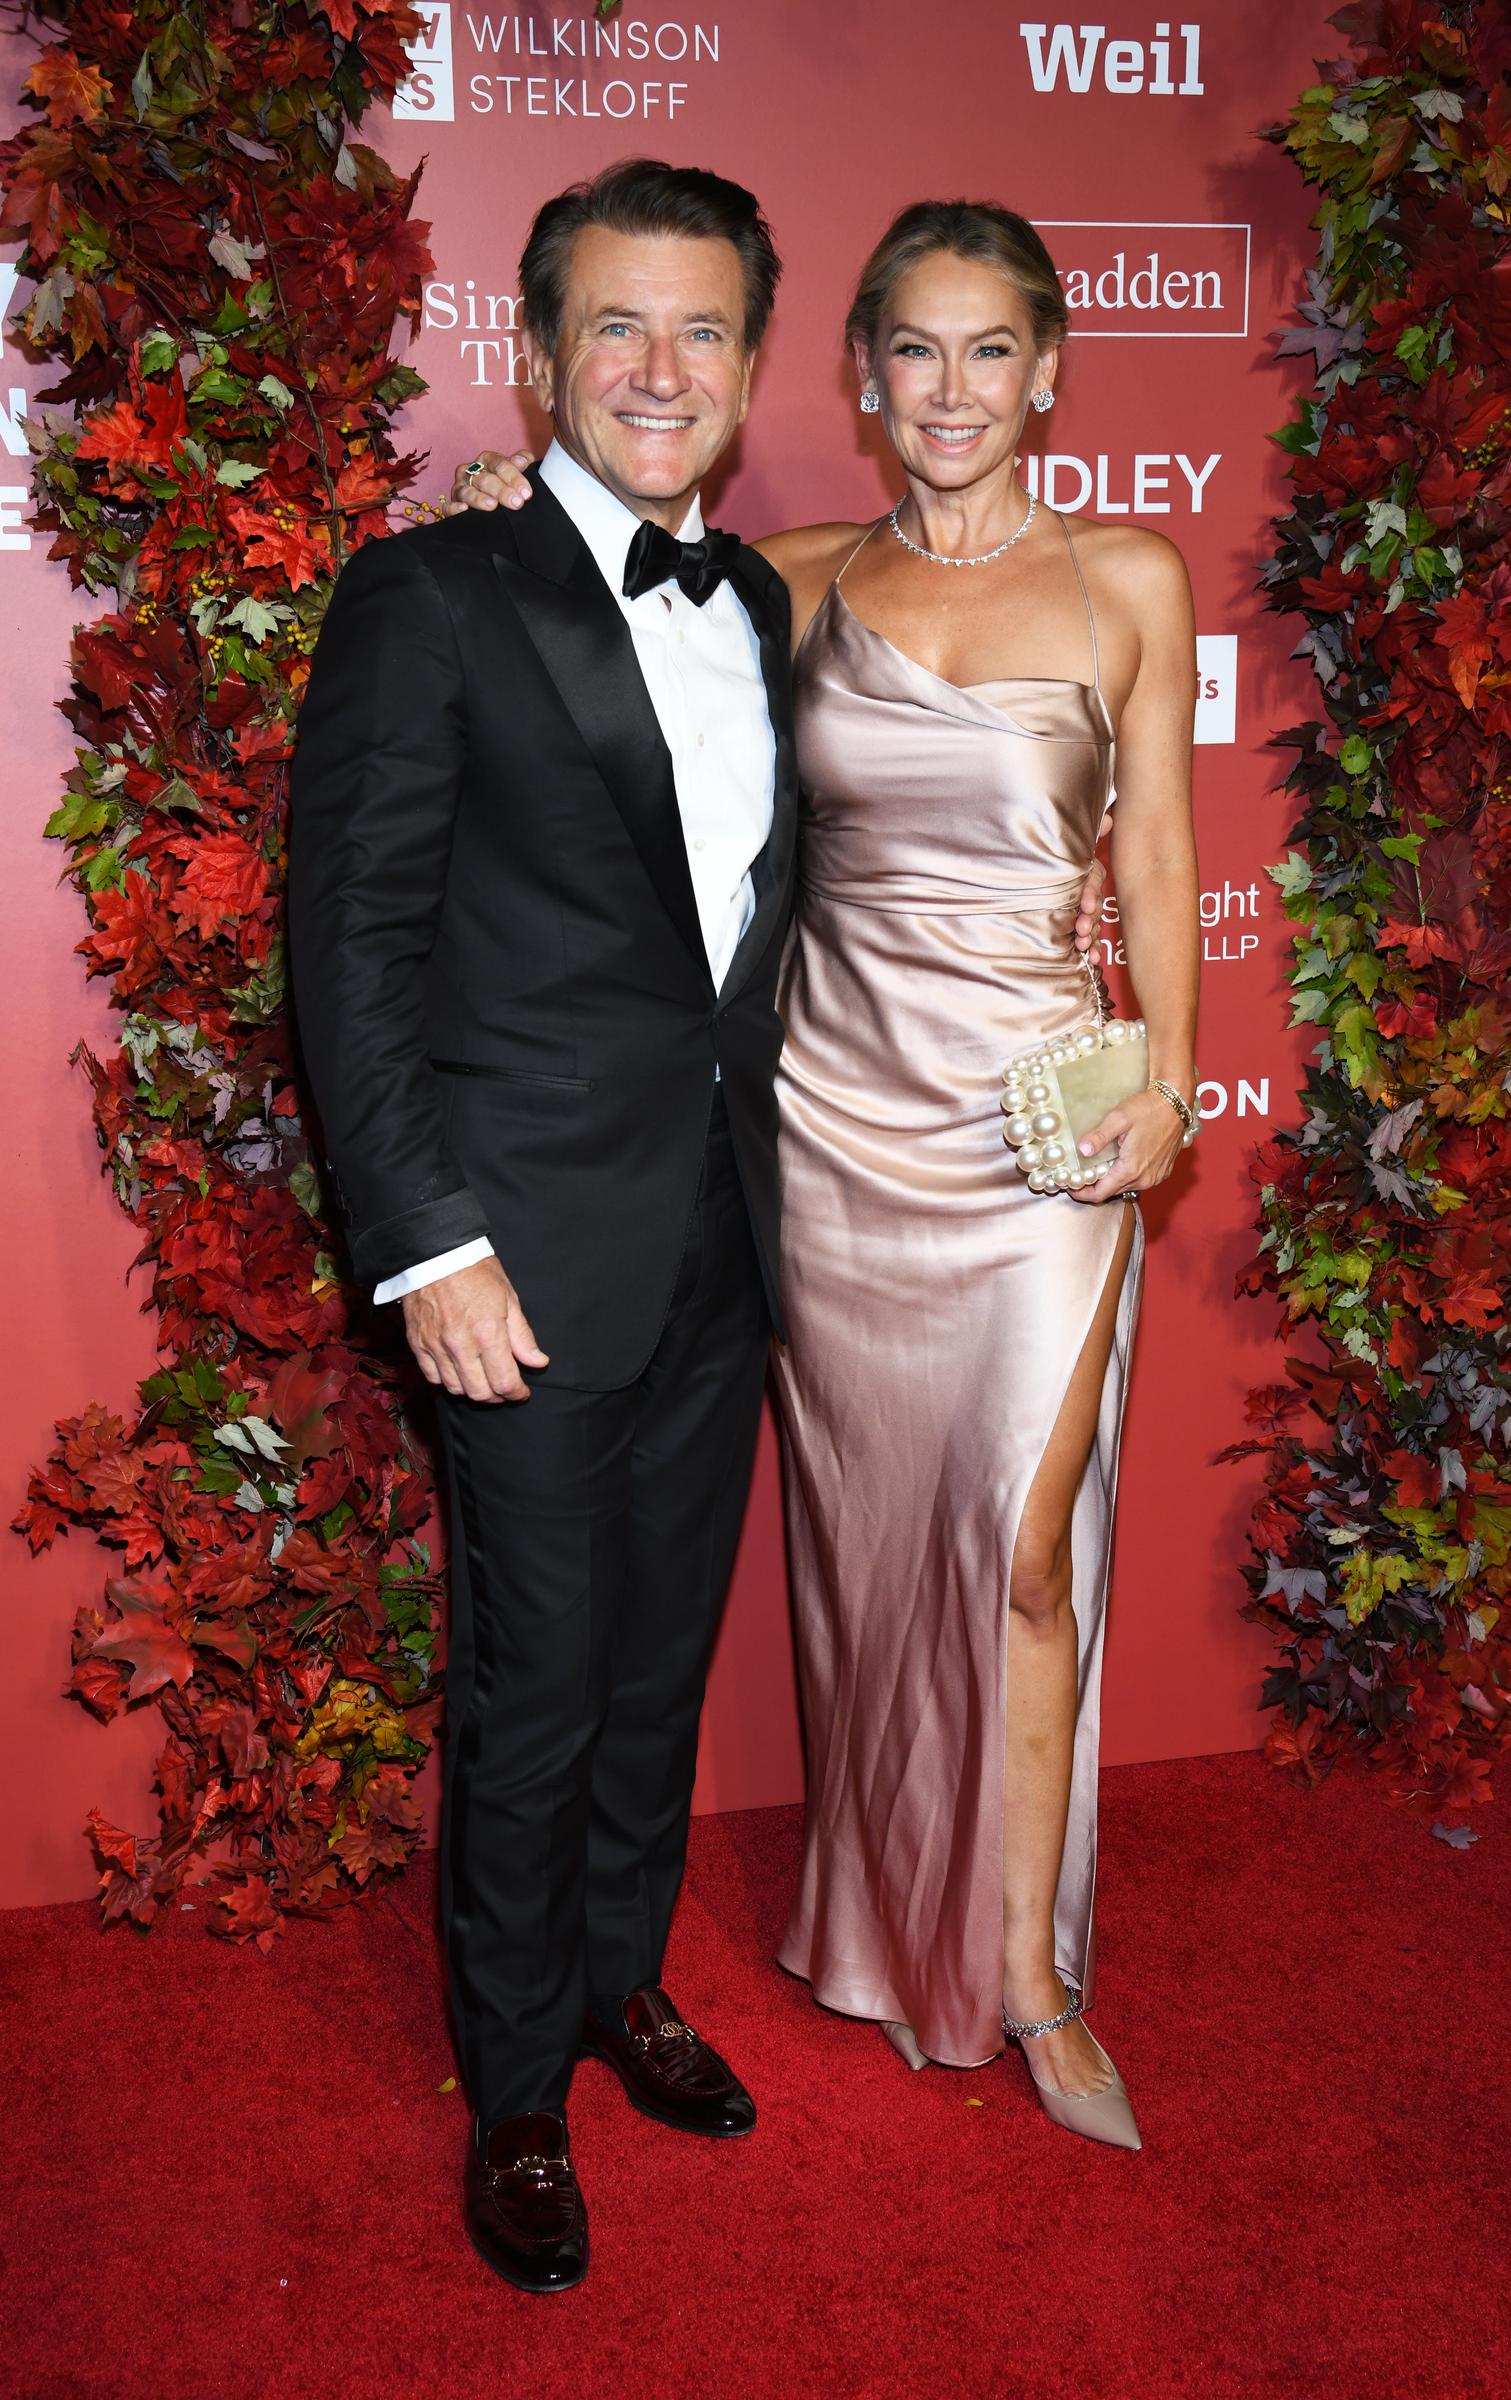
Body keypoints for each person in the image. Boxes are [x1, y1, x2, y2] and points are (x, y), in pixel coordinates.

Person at [456, 202, 1198, 2150]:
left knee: (1022, 1551)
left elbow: (1153, 864)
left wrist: (1176, 1079)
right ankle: (880, 1923)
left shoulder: (1126, 577)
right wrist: (494, 512)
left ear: (1046, 371)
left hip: (1040, 1129)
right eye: (912, 354)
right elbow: (590, 607)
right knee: (872, 1561)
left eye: (987, 353)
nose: (949, 392)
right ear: (861, 381)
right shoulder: (785, 583)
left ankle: (1030, 1977)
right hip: (830, 1137)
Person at [289, 160, 799, 2295]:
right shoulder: (431, 602)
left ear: (755, 367)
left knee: (657, 1663)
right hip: (514, 1261)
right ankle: (509, 2092)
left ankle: (616, 1980)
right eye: (617, 325)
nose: (660, 369)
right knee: (530, 1676)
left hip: (716, 1246)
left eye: (700, 331)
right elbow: (351, 948)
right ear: (534, 352)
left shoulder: (756, 602)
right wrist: (426, 1249)